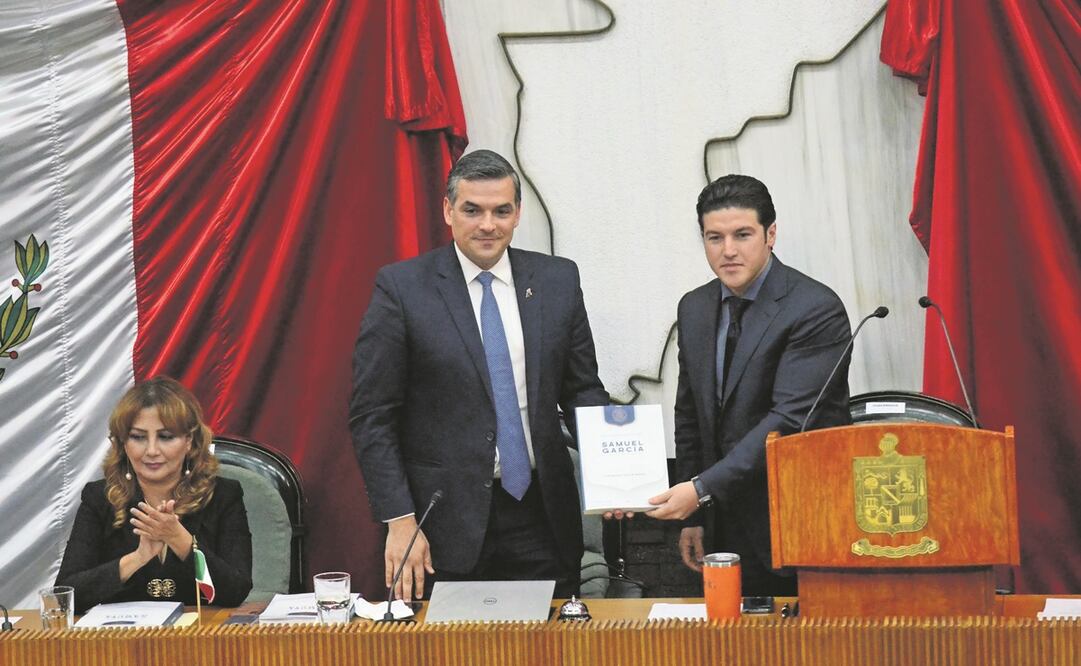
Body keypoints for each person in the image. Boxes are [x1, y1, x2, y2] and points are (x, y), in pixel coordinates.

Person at [350, 149, 608, 600]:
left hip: (542, 517)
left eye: (501, 211)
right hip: (441, 526)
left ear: (517, 214)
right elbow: (373, 415)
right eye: (473, 210)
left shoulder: (557, 280)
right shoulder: (403, 289)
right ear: (448, 210)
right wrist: (399, 520)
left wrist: (613, 469)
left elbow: (582, 388)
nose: (488, 224)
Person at [646, 174, 852, 596]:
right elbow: (690, 416)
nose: (728, 251)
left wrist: (700, 490)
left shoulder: (815, 308)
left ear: (770, 234)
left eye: (742, 235)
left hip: (797, 524)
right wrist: (695, 517)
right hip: (722, 528)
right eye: (714, 237)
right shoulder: (695, 307)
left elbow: (789, 421)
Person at [57, 377, 252, 612]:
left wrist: (180, 541)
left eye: (166, 437)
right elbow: (66, 595)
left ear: (189, 441)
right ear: (123, 443)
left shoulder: (223, 496)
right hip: (120, 642)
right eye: (138, 437)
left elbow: (235, 592)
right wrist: (138, 557)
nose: (151, 451)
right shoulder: (100, 498)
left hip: (201, 639)